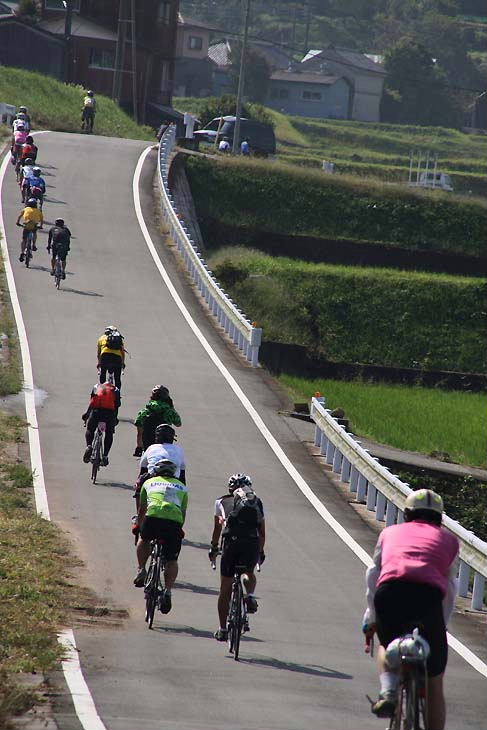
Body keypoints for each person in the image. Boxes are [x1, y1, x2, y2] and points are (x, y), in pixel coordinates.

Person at [362, 489, 459, 729]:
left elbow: (373, 575)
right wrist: (439, 627)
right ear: (440, 518)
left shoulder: (389, 533)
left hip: (390, 593)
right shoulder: (450, 541)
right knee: (435, 680)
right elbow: (450, 588)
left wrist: (371, 619)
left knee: (386, 644)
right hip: (428, 598)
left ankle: (388, 693)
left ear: (407, 514)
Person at [208, 474, 265, 641]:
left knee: (225, 587)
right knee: (248, 572)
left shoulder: (221, 502)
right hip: (251, 543)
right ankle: (250, 596)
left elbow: (217, 530)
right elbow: (262, 533)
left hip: (231, 544)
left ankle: (222, 629)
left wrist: (213, 548)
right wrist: (260, 552)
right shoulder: (257, 502)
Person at [132, 459, 189, 615]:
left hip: (153, 517)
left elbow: (142, 509)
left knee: (144, 540)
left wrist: (138, 526)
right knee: (171, 559)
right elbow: (182, 512)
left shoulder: (149, 482)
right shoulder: (183, 487)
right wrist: (180, 528)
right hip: (173, 522)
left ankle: (141, 570)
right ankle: (168, 591)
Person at [134, 423, 186, 510]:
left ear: (157, 437)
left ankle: (138, 514)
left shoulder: (152, 448)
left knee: (139, 484)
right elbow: (182, 473)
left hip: (153, 477)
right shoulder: (179, 449)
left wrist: (139, 484)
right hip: (174, 479)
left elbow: (143, 468)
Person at [133, 385, 181, 456]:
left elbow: (139, 432)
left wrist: (139, 447)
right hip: (164, 446)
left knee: (145, 464)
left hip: (148, 445)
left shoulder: (145, 412)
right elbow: (178, 423)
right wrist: (172, 408)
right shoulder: (169, 411)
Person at [82, 380, 121, 466]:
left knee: (90, 429)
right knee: (109, 433)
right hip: (109, 414)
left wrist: (87, 415)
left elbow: (92, 403)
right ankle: (105, 456)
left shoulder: (96, 387)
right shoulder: (116, 390)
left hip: (96, 412)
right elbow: (117, 406)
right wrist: (115, 419)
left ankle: (89, 446)